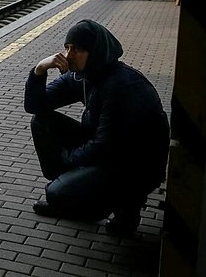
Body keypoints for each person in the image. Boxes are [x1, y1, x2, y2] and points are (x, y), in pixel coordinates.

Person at [24, 19, 170, 235]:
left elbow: (105, 146)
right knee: (41, 121)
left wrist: (67, 159)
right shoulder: (84, 76)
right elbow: (35, 106)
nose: (68, 55)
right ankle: (75, 191)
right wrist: (39, 70)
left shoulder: (120, 86)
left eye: (78, 49)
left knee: (56, 193)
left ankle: (126, 210)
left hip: (136, 166)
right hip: (110, 151)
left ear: (96, 52)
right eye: (67, 48)